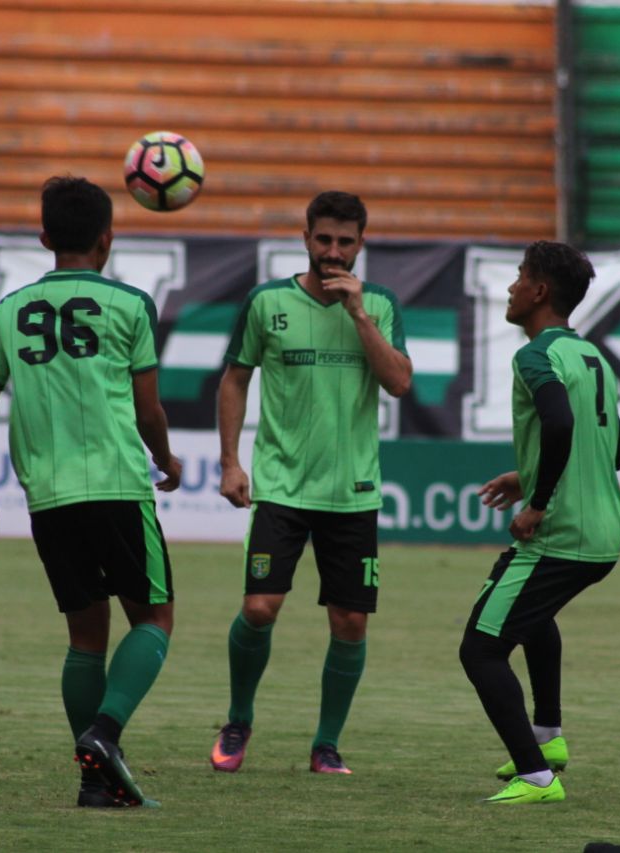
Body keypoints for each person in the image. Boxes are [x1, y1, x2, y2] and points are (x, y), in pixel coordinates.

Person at [0, 176, 183, 809]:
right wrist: (166, 459)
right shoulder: (130, 305)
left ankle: (94, 782)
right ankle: (105, 735)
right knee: (155, 619)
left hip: (48, 496)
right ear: (107, 239)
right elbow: (147, 408)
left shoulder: (10, 310)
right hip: (116, 484)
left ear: (45, 237)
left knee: (86, 637)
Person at [209, 190, 412, 775]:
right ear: (305, 239)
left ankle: (326, 744)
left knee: (349, 622)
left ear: (361, 244)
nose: (333, 251)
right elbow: (234, 379)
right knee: (260, 607)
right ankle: (239, 719)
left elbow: (399, 383)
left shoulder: (380, 304)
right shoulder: (267, 301)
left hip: (352, 491)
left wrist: (358, 314)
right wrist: (230, 462)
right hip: (281, 486)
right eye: (323, 239)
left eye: (345, 241)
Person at [460, 240, 620, 805]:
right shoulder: (593, 356)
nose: (510, 288)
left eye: (519, 277)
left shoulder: (535, 356)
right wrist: (524, 475)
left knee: (480, 650)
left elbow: (558, 424)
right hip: (604, 532)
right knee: (531, 617)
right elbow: (615, 450)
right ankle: (548, 737)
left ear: (539, 291)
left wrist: (538, 502)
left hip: (562, 534)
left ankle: (536, 777)